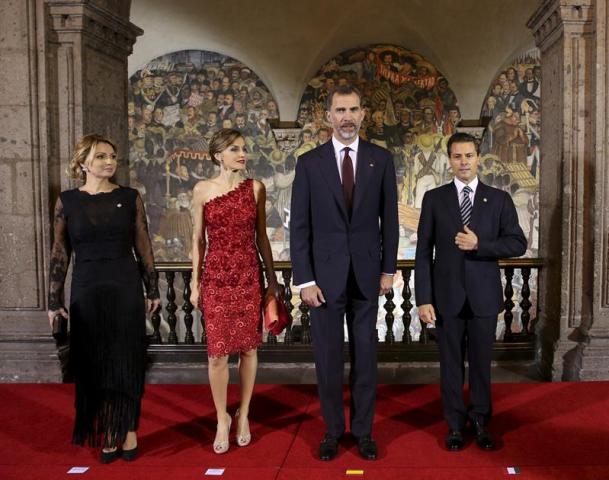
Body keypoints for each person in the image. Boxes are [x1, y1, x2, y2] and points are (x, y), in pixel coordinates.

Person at [290, 84, 399, 461]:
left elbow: (391, 220)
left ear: (363, 114)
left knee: (366, 357)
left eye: (353, 109)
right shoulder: (309, 163)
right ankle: (333, 431)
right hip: (322, 281)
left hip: (368, 276)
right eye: (340, 110)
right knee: (328, 359)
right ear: (328, 115)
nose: (347, 117)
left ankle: (364, 432)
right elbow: (299, 227)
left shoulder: (381, 160)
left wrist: (388, 270)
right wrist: (305, 280)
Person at [47, 134, 161, 463]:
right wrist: (54, 301)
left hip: (124, 287)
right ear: (83, 163)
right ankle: (108, 428)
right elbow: (59, 253)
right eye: (100, 157)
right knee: (95, 364)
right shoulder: (67, 201)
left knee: (125, 361)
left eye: (112, 156)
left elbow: (143, 245)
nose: (109, 162)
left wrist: (151, 288)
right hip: (86, 289)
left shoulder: (129, 197)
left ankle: (127, 430)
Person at [414, 132, 526, 452]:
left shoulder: (499, 198)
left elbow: (517, 243)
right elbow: (423, 253)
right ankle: (453, 425)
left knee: (480, 363)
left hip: (483, 297)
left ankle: (480, 420)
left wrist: (481, 244)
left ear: (479, 157)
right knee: (450, 365)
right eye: (457, 156)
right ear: (449, 160)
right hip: (446, 297)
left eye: (469, 156)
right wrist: (423, 298)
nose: (463, 162)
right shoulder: (435, 199)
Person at [189, 128, 279, 454]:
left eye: (243, 148)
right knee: (216, 356)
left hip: (247, 275)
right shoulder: (201, 190)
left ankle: (244, 414)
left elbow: (262, 237)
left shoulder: (255, 188)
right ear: (218, 155)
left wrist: (271, 280)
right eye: (234, 148)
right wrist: (194, 283)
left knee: (249, 350)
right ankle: (221, 418)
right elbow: (198, 241)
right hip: (215, 277)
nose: (242, 153)